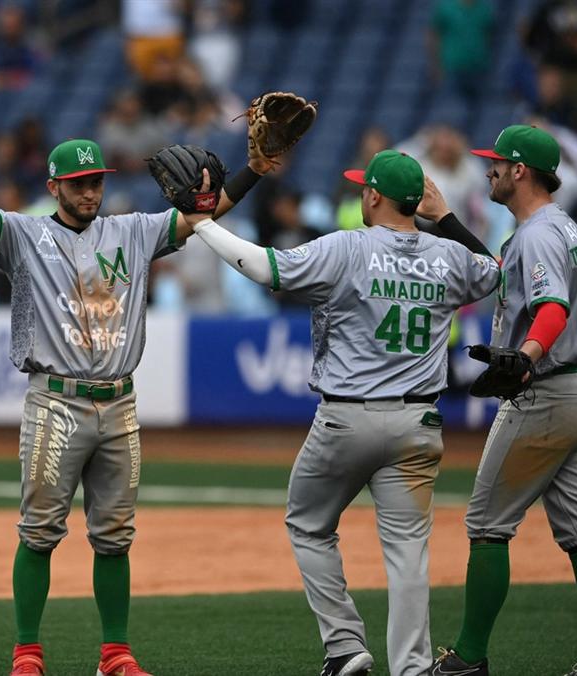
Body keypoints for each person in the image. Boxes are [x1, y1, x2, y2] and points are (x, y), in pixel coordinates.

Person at [0, 108, 273, 676]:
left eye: (97, 181)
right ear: (54, 186)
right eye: (80, 183)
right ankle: (27, 652)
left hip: (119, 403)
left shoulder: (131, 231)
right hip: (55, 401)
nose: (91, 191)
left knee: (114, 535)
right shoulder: (25, 235)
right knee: (39, 532)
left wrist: (254, 169)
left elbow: (202, 216)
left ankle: (115, 653)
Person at [189, 150, 501, 676]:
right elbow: (495, 273)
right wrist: (444, 218)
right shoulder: (448, 256)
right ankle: (412, 667)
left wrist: (201, 224)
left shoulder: (348, 246)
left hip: (347, 418)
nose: (361, 194)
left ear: (375, 196)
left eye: (365, 188)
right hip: (417, 423)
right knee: (407, 554)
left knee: (308, 523)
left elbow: (263, 267)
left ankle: (344, 645)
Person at [430, 125, 577, 676]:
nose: (488, 168)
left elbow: (552, 307)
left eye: (497, 162)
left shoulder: (538, 233)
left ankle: (467, 657)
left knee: (487, 525)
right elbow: (501, 277)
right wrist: (446, 221)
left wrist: (527, 355)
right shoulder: (558, 225)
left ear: (520, 171)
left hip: (548, 392)